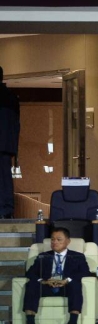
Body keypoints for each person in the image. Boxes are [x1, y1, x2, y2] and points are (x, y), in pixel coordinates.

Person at [22, 228, 92, 324]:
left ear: (68, 241)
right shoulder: (43, 256)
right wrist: (43, 281)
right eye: (52, 239)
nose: (55, 242)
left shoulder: (78, 256)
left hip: (66, 287)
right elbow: (30, 273)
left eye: (59, 239)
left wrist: (67, 280)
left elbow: (85, 272)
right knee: (31, 284)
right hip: (47, 286)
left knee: (75, 285)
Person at [0, 65, 20, 219]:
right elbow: (16, 124)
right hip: (6, 145)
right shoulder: (11, 96)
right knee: (5, 179)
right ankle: (6, 210)